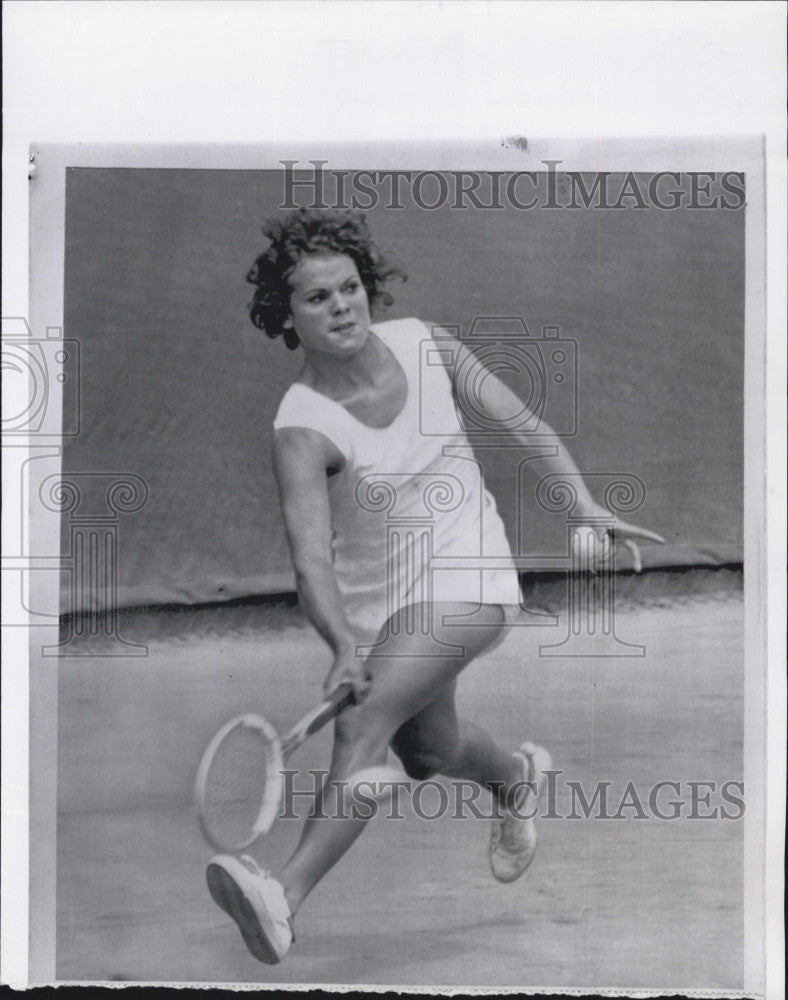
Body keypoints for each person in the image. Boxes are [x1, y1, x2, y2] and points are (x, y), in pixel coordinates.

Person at [206, 208, 663, 965]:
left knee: (362, 729)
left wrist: (584, 504)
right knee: (428, 749)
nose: (341, 306)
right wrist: (341, 644)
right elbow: (310, 558)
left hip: (471, 575)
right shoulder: (301, 427)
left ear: (368, 288)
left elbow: (527, 427)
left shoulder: (426, 344)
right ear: (284, 317)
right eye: (317, 298)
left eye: (350, 287)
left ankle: (281, 899)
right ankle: (516, 778)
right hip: (380, 608)